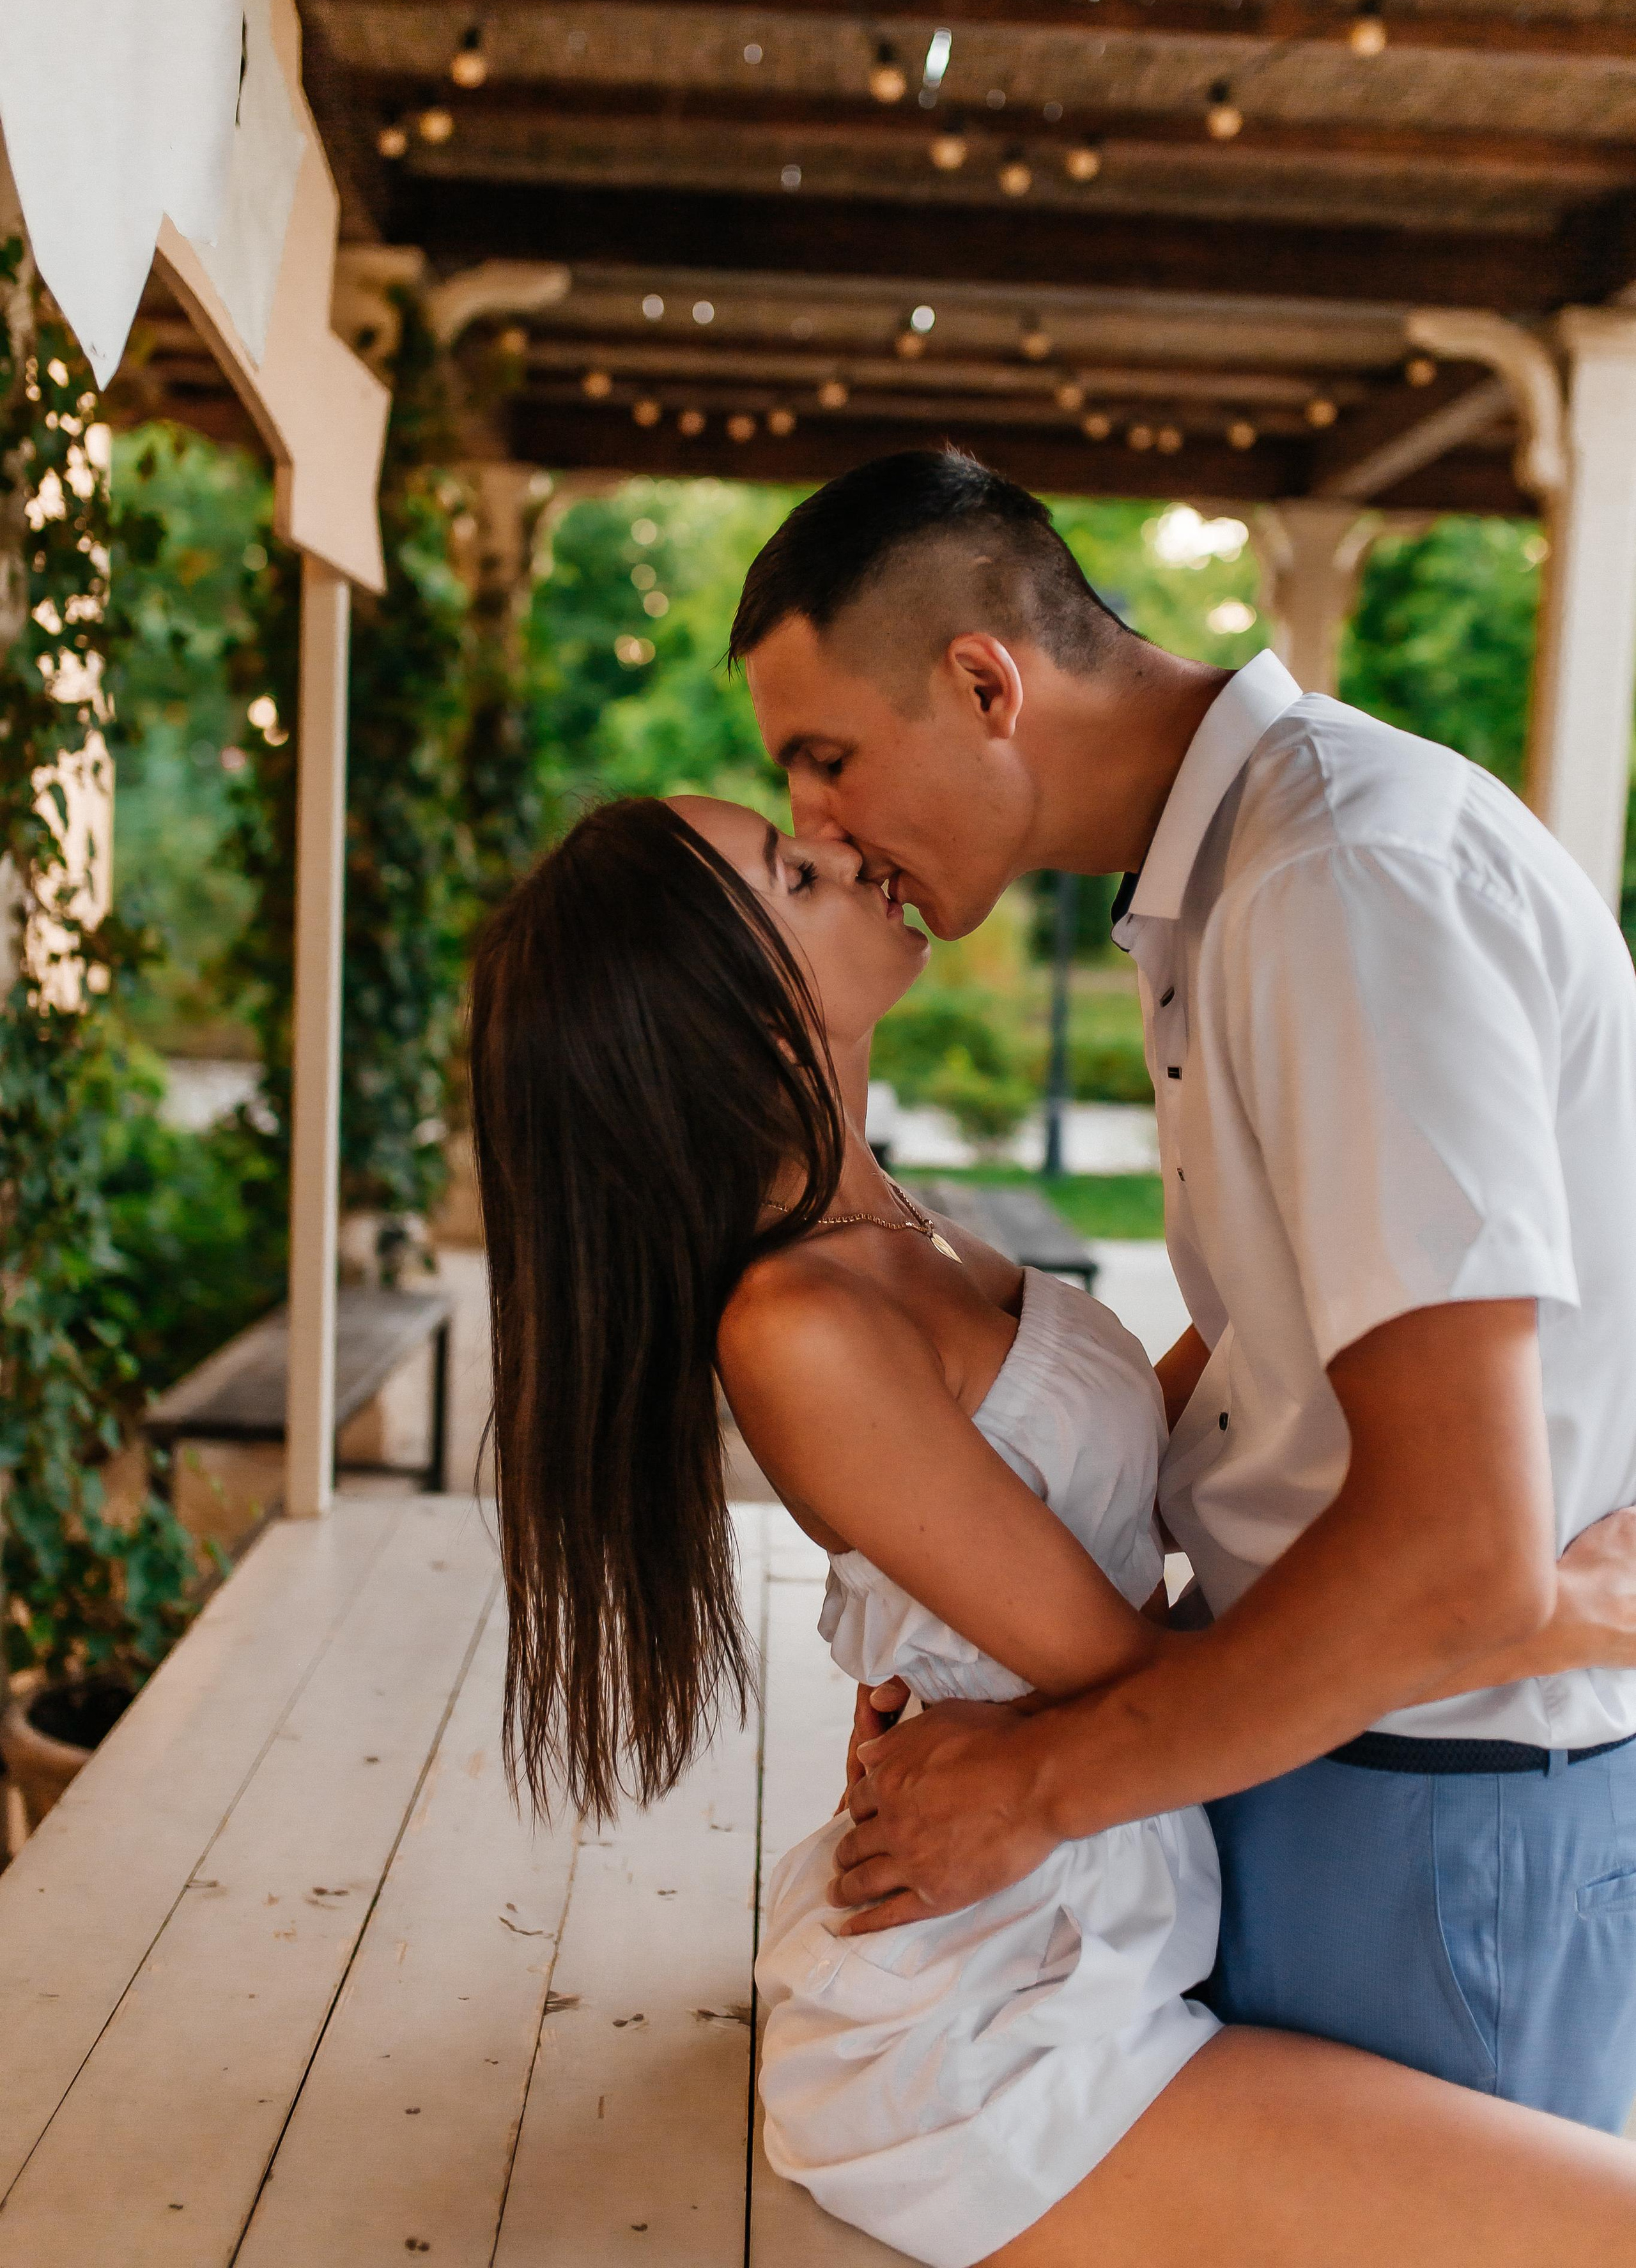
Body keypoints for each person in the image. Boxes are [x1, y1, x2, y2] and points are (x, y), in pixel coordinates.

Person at [468, 790, 1636, 2268]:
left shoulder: (896, 1230)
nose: (853, 849)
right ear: (727, 1010)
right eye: (794, 871)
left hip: (1100, 1920)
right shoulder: (799, 1323)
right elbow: (1120, 1668)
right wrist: (1546, 1605)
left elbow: (1098, 1475)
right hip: (993, 2023)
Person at [727, 446, 1636, 2139]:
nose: (823, 830)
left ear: (984, 681)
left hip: (1441, 1801)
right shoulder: (1238, 884)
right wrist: (968, 1621)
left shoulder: (1336, 883)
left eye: (829, 763)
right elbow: (1279, 1356)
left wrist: (1036, 1782)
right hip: (1296, 1746)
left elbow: (1461, 1552)